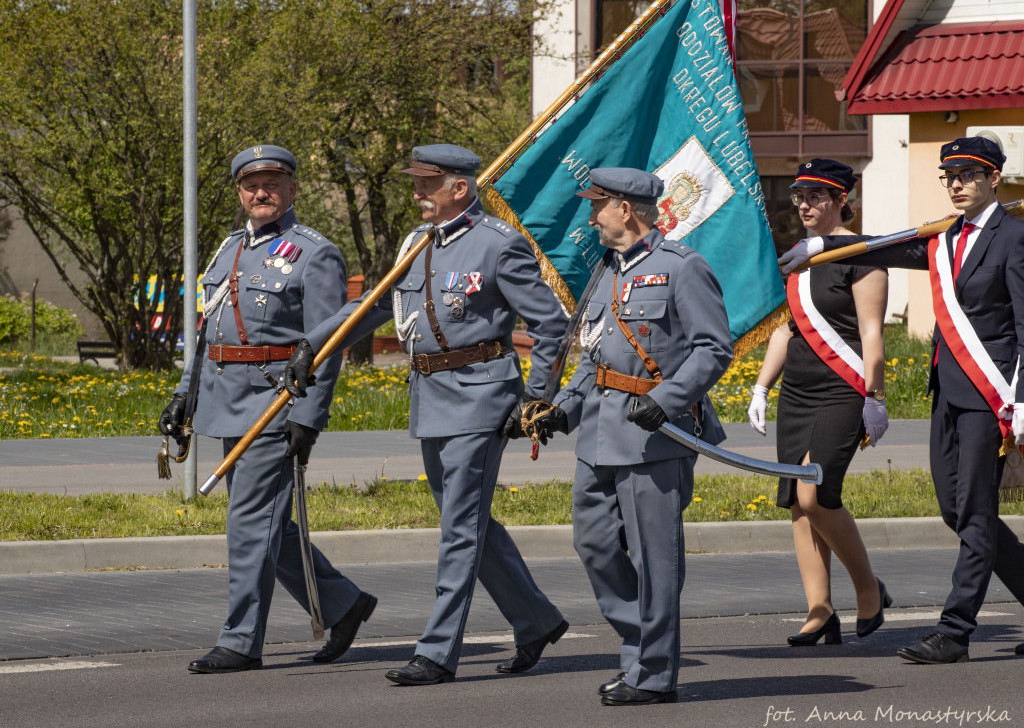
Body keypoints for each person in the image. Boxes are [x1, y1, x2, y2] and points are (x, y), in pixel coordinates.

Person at [284, 143, 570, 686]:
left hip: (481, 398)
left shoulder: (498, 245)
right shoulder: (417, 242)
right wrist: (313, 344)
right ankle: (536, 620)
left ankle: (437, 651)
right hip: (431, 395)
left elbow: (551, 324)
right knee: (470, 522)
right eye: (415, 183)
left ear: (459, 188)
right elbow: (371, 307)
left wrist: (535, 396)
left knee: (459, 528)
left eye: (426, 184)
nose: (415, 193)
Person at [779, 136, 1024, 664]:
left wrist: (1022, 401)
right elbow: (884, 246)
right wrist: (821, 248)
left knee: (977, 515)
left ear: (993, 179)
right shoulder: (944, 237)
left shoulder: (1015, 238)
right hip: (949, 392)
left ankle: (954, 631)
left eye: (968, 174)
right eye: (949, 176)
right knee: (954, 509)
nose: (957, 184)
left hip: (991, 394)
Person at [158, 145, 376, 673]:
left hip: (274, 403)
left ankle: (240, 640)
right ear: (240, 191)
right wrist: (185, 393)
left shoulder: (314, 253)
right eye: (252, 185)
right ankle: (344, 605)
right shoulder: (228, 250)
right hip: (225, 402)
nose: (262, 193)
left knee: (250, 524)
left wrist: (308, 416)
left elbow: (329, 344)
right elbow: (210, 332)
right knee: (269, 525)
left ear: (293, 189)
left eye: (273, 183)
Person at [532, 167, 733, 705]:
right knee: (594, 543)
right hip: (598, 432)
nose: (590, 215)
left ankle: (653, 672)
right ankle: (640, 643)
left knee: (655, 559)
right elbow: (593, 354)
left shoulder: (682, 268)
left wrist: (666, 400)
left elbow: (714, 348)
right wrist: (561, 411)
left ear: (625, 208)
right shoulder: (603, 270)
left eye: (597, 205)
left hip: (654, 434)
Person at [747, 158, 891, 647]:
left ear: (841, 201)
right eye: (798, 196)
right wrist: (762, 387)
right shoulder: (800, 255)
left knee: (816, 494)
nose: (804, 205)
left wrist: (875, 395)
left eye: (816, 196)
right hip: (800, 391)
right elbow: (790, 328)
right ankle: (819, 609)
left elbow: (872, 333)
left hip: (843, 389)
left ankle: (869, 588)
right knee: (796, 504)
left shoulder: (861, 253)